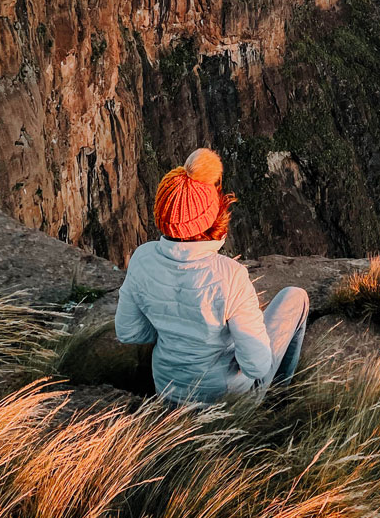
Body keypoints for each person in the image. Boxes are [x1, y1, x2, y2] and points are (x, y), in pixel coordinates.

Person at [114, 147, 309, 404]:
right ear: (211, 215)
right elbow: (256, 366)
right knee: (296, 297)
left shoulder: (142, 259)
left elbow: (128, 332)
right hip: (228, 400)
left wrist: (175, 330)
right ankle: (278, 396)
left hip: (169, 393)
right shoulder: (229, 275)